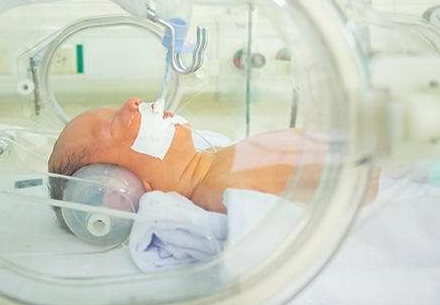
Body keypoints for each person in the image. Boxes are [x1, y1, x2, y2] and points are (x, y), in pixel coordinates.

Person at [48, 98, 376, 214]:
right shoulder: (223, 187)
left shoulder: (215, 163)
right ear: (119, 189)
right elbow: (361, 179)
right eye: (109, 125)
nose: (131, 103)